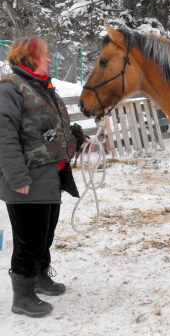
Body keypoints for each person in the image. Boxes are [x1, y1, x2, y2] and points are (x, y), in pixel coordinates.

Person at [0, 36, 88, 317]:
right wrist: (17, 178)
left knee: (44, 235)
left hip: (50, 176)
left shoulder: (42, 88)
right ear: (28, 58)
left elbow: (48, 130)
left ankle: (39, 277)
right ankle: (22, 296)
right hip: (27, 178)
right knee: (29, 239)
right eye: (44, 56)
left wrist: (75, 139)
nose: (49, 60)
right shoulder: (11, 90)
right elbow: (4, 137)